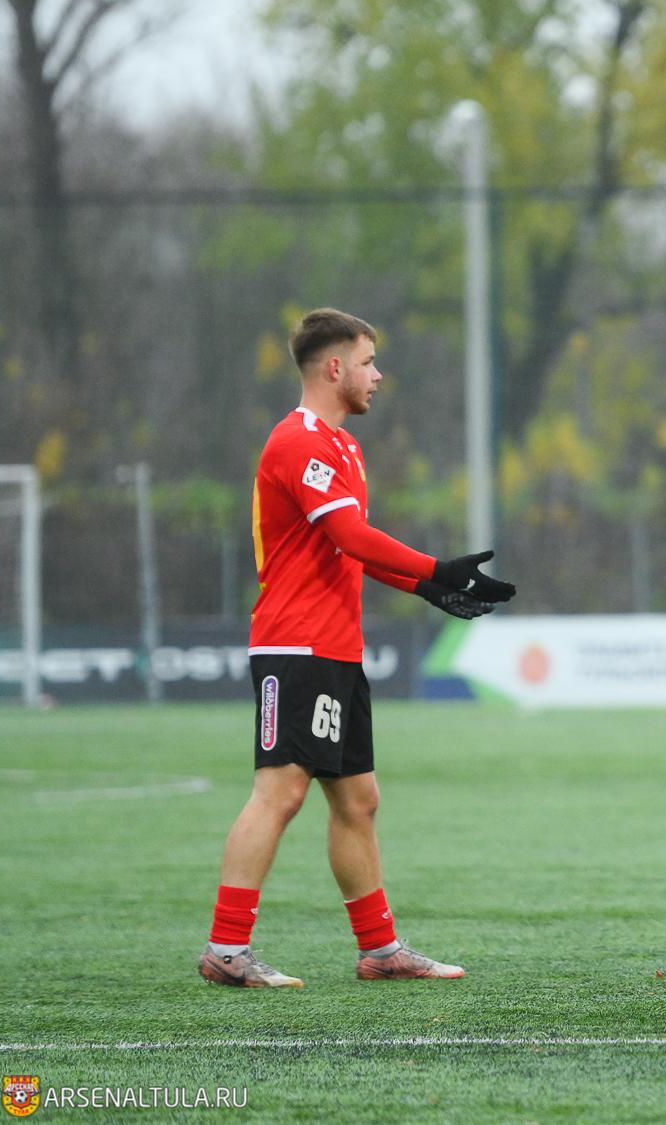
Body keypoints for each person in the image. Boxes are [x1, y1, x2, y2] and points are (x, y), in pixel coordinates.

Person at [201, 308, 515, 988]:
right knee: (280, 792)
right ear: (334, 367)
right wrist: (439, 568)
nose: (378, 375)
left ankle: (381, 949)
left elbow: (353, 551)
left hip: (337, 650)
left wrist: (428, 588)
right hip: (294, 646)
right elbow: (350, 536)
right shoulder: (297, 442)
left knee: (358, 800)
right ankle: (226, 949)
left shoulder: (343, 448)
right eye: (369, 362)